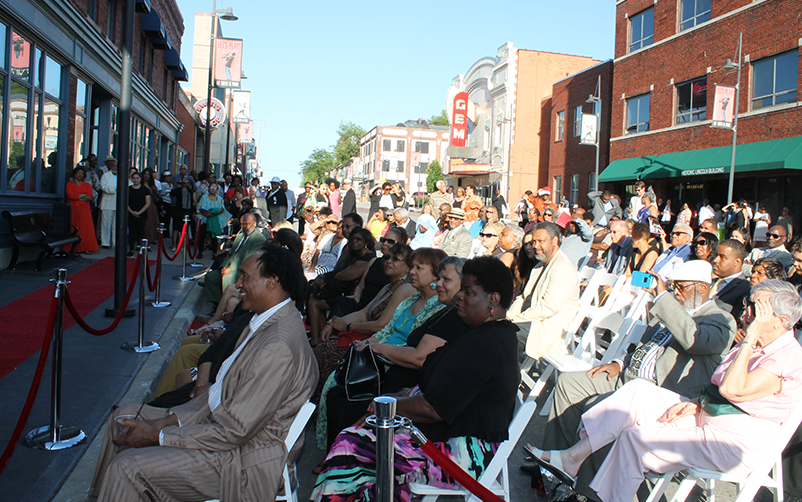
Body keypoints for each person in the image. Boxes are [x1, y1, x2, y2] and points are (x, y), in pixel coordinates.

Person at [531, 279, 802, 502]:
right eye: (747, 304)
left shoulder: (785, 356)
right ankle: (574, 456)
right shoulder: (756, 347)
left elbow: (733, 388)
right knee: (637, 391)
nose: (746, 313)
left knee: (635, 439)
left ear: (778, 321)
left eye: (755, 309)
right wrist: (698, 401)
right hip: (707, 418)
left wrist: (751, 335)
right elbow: (719, 385)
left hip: (734, 442)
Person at [89, 248, 318, 502]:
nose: (238, 284)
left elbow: (234, 430)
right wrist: (165, 423)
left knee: (127, 467)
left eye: (244, 276)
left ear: (272, 281)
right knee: (123, 417)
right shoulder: (266, 321)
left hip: (244, 461)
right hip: (227, 436)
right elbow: (217, 395)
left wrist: (159, 436)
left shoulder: (277, 345)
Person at [312, 256, 519, 502]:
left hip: (463, 453)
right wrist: (400, 398)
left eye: (468, 292)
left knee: (351, 445)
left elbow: (434, 407)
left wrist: (381, 408)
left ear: (493, 300)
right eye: (461, 289)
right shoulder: (490, 335)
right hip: (457, 436)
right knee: (357, 435)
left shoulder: (484, 344)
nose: (460, 297)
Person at [540, 259, 737, 497]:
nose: (675, 292)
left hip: (658, 391)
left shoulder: (720, 319)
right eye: (673, 286)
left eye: (681, 287)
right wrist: (619, 362)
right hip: (628, 375)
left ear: (702, 287)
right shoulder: (674, 308)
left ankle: (586, 491)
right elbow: (646, 346)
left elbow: (694, 340)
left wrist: (664, 300)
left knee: (608, 411)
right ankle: (556, 467)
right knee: (569, 383)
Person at [314, 247, 448, 450]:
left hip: (395, 367)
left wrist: (376, 348)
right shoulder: (409, 300)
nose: (411, 271)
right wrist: (367, 344)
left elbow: (413, 350)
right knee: (336, 385)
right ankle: (332, 450)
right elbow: (385, 330)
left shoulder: (436, 308)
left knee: (342, 399)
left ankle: (340, 453)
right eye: (412, 266)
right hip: (379, 357)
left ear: (435, 275)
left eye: (418, 268)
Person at [508, 222, 580, 358]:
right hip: (527, 320)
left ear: (555, 241)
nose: (535, 246)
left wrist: (513, 321)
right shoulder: (539, 265)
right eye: (534, 241)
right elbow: (523, 298)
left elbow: (547, 309)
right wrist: (508, 317)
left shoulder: (563, 268)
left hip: (543, 328)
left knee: (496, 338)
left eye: (540, 241)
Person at [204, 213, 267, 304]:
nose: (244, 226)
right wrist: (223, 267)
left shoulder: (258, 239)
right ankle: (218, 304)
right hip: (231, 267)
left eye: (247, 224)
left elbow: (249, 260)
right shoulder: (240, 235)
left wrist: (230, 269)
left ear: (254, 224)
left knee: (228, 278)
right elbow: (231, 254)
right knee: (210, 277)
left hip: (245, 271)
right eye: (242, 224)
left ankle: (227, 307)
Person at [710, 239, 751, 321]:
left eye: (722, 257)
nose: (715, 260)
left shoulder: (744, 288)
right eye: (716, 255)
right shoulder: (712, 281)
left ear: (737, 261)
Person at [66, 166, 99, 254]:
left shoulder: (87, 185)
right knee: (73, 227)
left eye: (82, 173)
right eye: (78, 173)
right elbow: (70, 195)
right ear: (74, 174)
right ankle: (71, 248)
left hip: (85, 209)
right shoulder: (70, 184)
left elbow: (89, 196)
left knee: (86, 229)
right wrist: (81, 195)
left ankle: (87, 247)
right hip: (74, 209)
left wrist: (77, 196)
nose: (80, 175)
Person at [197, 183, 231, 258]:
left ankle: (214, 252)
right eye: (211, 187)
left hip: (214, 220)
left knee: (214, 237)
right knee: (202, 235)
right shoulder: (204, 197)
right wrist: (205, 214)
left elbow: (222, 209)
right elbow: (200, 208)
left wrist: (212, 214)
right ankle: (200, 252)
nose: (213, 189)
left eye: (215, 187)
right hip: (204, 219)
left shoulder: (220, 199)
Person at [127, 172, 152, 257]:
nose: (135, 180)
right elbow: (125, 202)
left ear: (140, 179)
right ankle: (131, 249)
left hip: (142, 213)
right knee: (131, 232)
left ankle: (141, 248)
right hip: (131, 213)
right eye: (134, 178)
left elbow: (148, 203)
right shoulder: (128, 189)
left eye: (137, 178)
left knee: (141, 231)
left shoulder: (145, 190)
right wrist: (132, 212)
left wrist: (139, 212)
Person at [99, 156, 118, 248]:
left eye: (116, 166)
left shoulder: (123, 176)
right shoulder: (105, 175)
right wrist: (115, 188)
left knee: (116, 225)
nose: (115, 167)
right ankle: (105, 242)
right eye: (114, 166)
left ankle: (115, 242)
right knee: (106, 224)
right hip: (107, 203)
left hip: (118, 203)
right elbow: (103, 187)